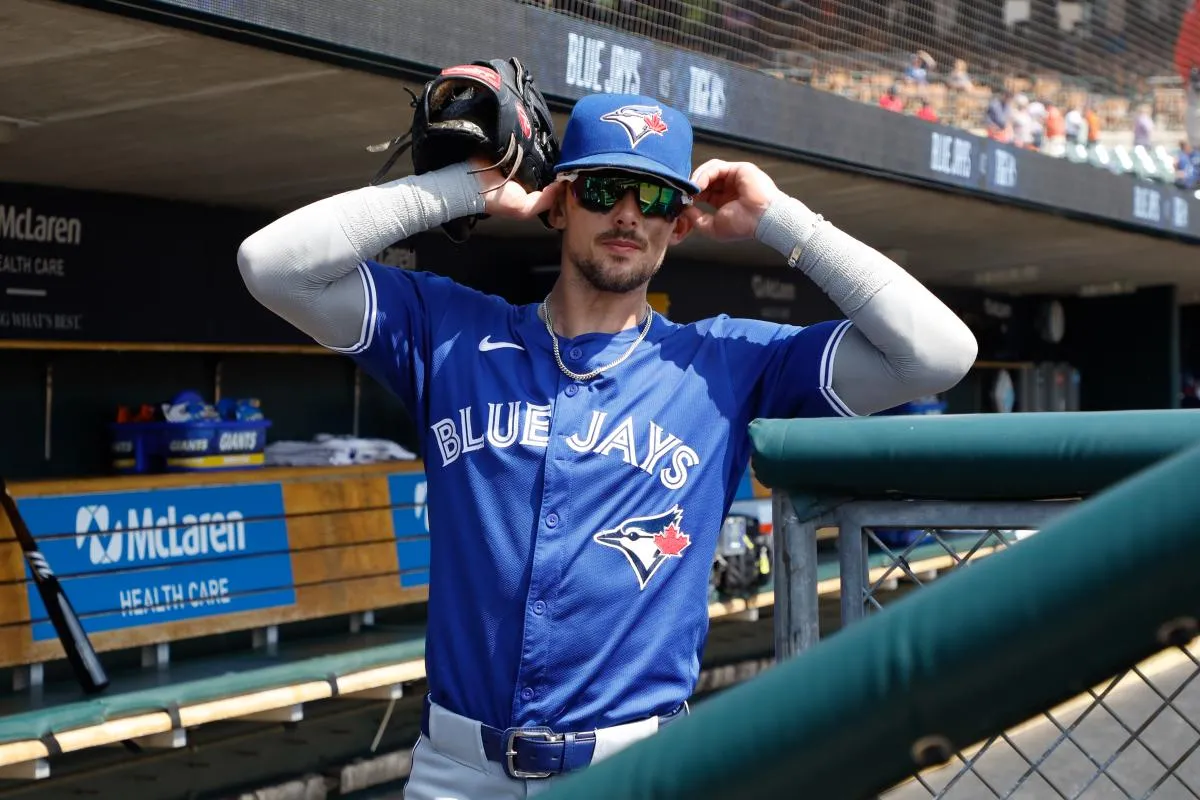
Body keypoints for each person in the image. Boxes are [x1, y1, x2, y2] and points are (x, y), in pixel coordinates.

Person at [238, 92, 978, 799]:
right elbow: (271, 266)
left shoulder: (726, 362)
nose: (628, 215)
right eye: (603, 190)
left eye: (654, 197)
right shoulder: (449, 330)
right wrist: (465, 186)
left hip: (637, 769)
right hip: (457, 771)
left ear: (679, 224)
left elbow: (937, 353)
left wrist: (781, 220)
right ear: (558, 202)